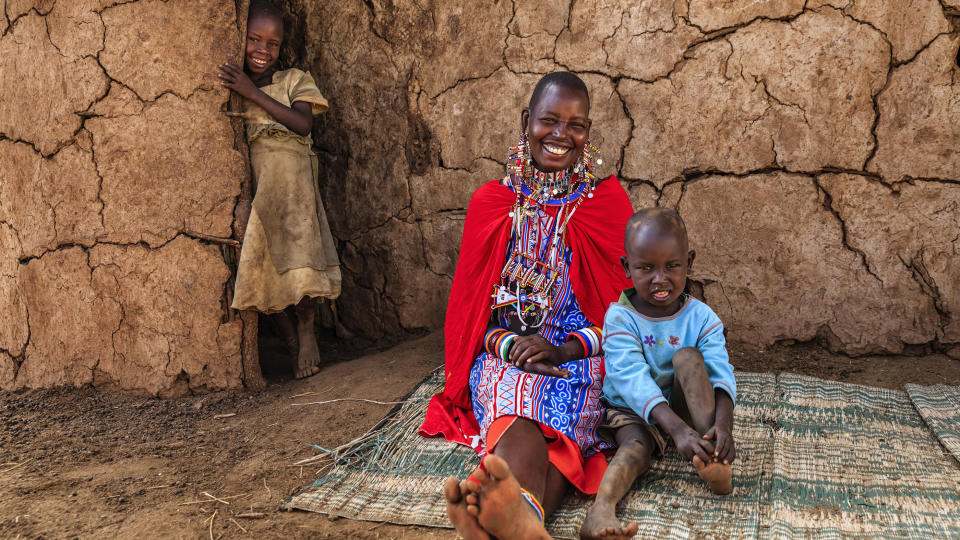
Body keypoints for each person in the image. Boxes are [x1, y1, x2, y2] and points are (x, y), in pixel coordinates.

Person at [418, 72, 634, 538]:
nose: (560, 135)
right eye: (548, 120)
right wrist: (510, 346)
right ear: (525, 121)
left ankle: (517, 517)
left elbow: (628, 316)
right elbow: (475, 317)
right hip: (506, 357)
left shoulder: (607, 205)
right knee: (519, 408)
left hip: (582, 358)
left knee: (559, 407)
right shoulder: (492, 203)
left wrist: (565, 351)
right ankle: (527, 520)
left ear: (588, 133)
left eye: (575, 125)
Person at [579, 208, 737, 540]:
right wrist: (676, 430)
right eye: (646, 268)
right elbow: (630, 378)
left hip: (682, 407)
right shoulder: (620, 318)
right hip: (632, 409)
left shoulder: (702, 317)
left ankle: (714, 456)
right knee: (635, 448)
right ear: (626, 267)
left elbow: (720, 371)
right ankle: (601, 510)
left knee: (689, 358)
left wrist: (723, 427)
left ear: (689, 262)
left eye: (672, 266)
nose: (660, 279)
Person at [218, 1, 341, 379]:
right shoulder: (233, 90)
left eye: (272, 43)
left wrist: (251, 92)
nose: (262, 50)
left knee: (302, 263)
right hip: (263, 193)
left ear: (282, 45)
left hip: (296, 189)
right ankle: (290, 343)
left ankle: (306, 330)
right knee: (261, 268)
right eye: (254, 39)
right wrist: (242, 89)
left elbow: (302, 124)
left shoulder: (294, 80)